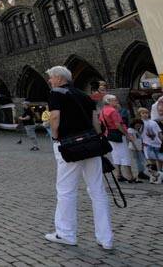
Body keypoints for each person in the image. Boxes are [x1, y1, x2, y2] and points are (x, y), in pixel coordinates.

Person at [45, 66, 113, 250]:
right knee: (98, 191)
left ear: (58, 78)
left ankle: (65, 234)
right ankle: (106, 238)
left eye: (51, 78)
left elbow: (54, 118)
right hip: (91, 146)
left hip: (70, 146)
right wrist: (96, 140)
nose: (50, 81)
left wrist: (55, 137)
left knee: (66, 190)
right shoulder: (85, 96)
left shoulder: (56, 94)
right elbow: (96, 123)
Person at [99, 95, 133, 182]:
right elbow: (118, 124)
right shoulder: (113, 111)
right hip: (117, 134)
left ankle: (118, 174)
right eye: (114, 100)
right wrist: (127, 134)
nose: (116, 101)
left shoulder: (103, 110)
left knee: (116, 155)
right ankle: (130, 176)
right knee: (125, 155)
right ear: (108, 101)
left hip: (109, 134)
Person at [139, 107, 163, 183]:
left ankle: (160, 175)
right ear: (140, 115)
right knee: (151, 162)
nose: (145, 115)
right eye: (143, 113)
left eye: (146, 113)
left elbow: (159, 133)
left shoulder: (153, 122)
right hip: (147, 145)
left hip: (157, 144)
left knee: (160, 160)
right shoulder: (140, 123)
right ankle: (153, 177)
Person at [127, 118, 149, 182]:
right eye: (137, 125)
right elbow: (132, 140)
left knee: (141, 161)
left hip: (138, 148)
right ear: (134, 124)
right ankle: (140, 173)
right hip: (135, 149)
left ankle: (141, 172)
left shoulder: (137, 130)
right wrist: (136, 148)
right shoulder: (130, 130)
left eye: (140, 125)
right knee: (138, 161)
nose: (138, 126)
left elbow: (139, 139)